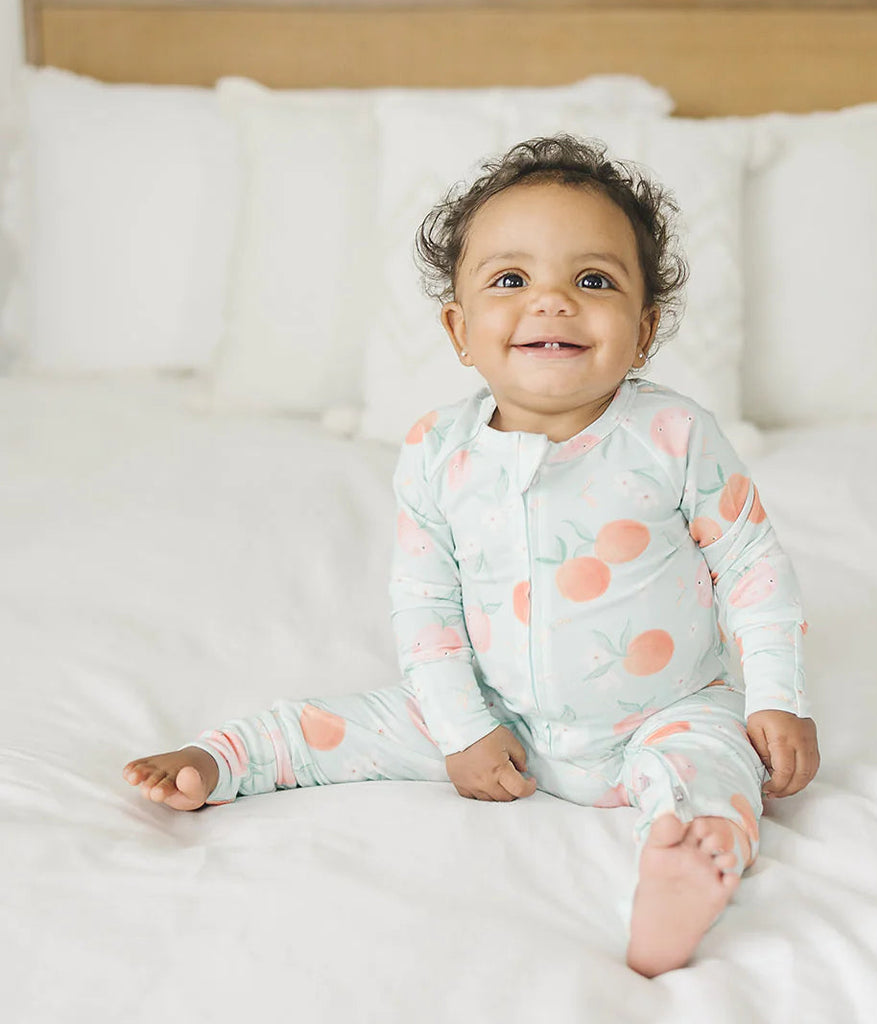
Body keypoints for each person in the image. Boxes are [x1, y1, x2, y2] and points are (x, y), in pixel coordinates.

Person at [124, 134, 820, 977]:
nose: (552, 302)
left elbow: (751, 565)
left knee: (714, 768)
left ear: (643, 331)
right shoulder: (437, 452)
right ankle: (224, 759)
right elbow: (425, 605)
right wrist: (463, 729)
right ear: (459, 330)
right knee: (340, 724)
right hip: (495, 708)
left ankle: (686, 866)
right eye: (511, 280)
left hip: (664, 707)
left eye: (593, 280)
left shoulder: (673, 435)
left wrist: (775, 699)